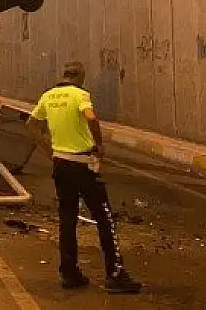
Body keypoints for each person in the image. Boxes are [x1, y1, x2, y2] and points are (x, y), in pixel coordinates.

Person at [27, 61, 142, 294]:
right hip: (83, 165)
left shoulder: (48, 96)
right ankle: (115, 274)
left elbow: (32, 124)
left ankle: (69, 273)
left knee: (67, 218)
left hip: (60, 164)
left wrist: (49, 150)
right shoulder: (80, 95)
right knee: (104, 218)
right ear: (80, 77)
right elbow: (90, 118)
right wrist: (99, 145)